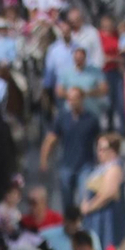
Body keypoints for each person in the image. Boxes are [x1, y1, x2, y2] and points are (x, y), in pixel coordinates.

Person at [40, 86, 101, 217]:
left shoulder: (92, 120)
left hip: (86, 165)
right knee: (66, 201)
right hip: (66, 165)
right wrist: (44, 159)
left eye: (75, 99)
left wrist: (101, 162)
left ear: (82, 99)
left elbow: (99, 142)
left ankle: (83, 226)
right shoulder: (62, 119)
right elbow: (51, 139)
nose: (72, 102)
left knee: (83, 198)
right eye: (70, 99)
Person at [78, 131, 125, 250]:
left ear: (112, 150)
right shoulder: (101, 167)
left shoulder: (114, 167)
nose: (99, 152)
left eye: (102, 149)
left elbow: (109, 193)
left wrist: (89, 207)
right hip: (96, 218)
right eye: (98, 148)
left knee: (107, 249)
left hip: (106, 218)